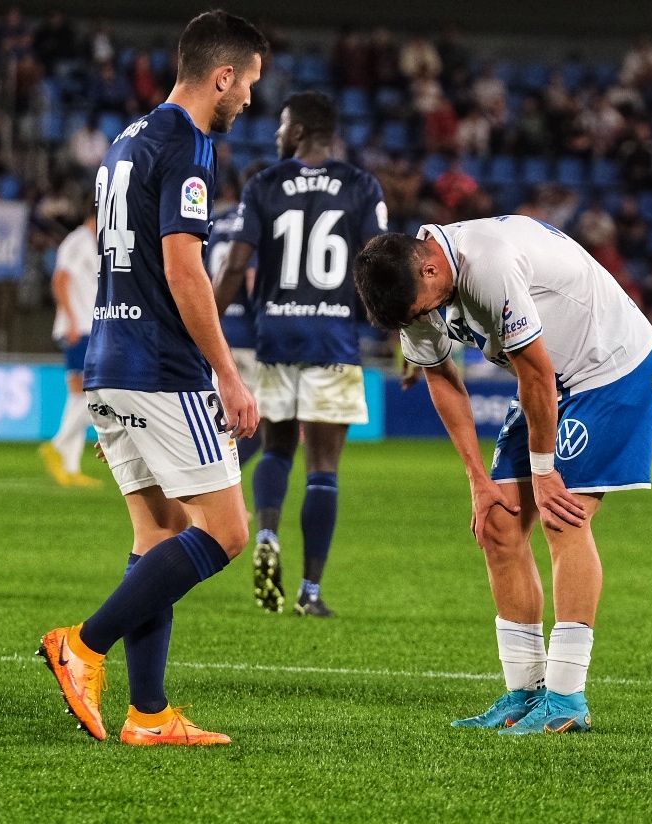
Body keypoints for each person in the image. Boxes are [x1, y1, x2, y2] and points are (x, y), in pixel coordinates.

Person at [36, 10, 267, 747]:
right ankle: (84, 644)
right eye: (250, 84)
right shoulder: (189, 144)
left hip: (113, 359)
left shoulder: (126, 140)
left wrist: (114, 390)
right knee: (226, 534)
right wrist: (228, 376)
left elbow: (118, 261)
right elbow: (181, 267)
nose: (249, 102)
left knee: (157, 532)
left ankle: (149, 713)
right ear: (222, 75)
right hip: (163, 366)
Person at [354, 215, 652, 735]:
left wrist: (543, 473)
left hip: (606, 367)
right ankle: (523, 692)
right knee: (497, 523)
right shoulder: (412, 286)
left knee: (564, 517)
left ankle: (566, 698)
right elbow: (442, 378)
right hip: (547, 378)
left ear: (431, 268)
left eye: (424, 310)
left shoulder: (487, 264)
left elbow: (536, 373)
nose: (423, 318)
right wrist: (477, 480)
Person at [215, 91, 387, 618]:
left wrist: (200, 331)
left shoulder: (264, 184)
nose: (276, 136)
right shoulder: (361, 186)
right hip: (332, 340)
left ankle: (266, 531)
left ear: (301, 130)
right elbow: (380, 268)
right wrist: (401, 337)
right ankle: (310, 592)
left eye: (282, 126)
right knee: (324, 469)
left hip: (275, 338)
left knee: (276, 449)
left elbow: (232, 268)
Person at [39, 212, 101, 488]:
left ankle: (71, 467)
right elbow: (60, 280)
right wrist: (72, 319)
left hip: (89, 325)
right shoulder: (78, 241)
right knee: (95, 393)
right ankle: (58, 444)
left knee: (78, 396)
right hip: (81, 327)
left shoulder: (91, 243)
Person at [205, 172, 262, 465]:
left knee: (221, 420)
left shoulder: (216, 223)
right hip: (251, 339)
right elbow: (251, 277)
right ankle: (223, 496)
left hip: (219, 334)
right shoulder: (256, 223)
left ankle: (214, 498)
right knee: (259, 423)